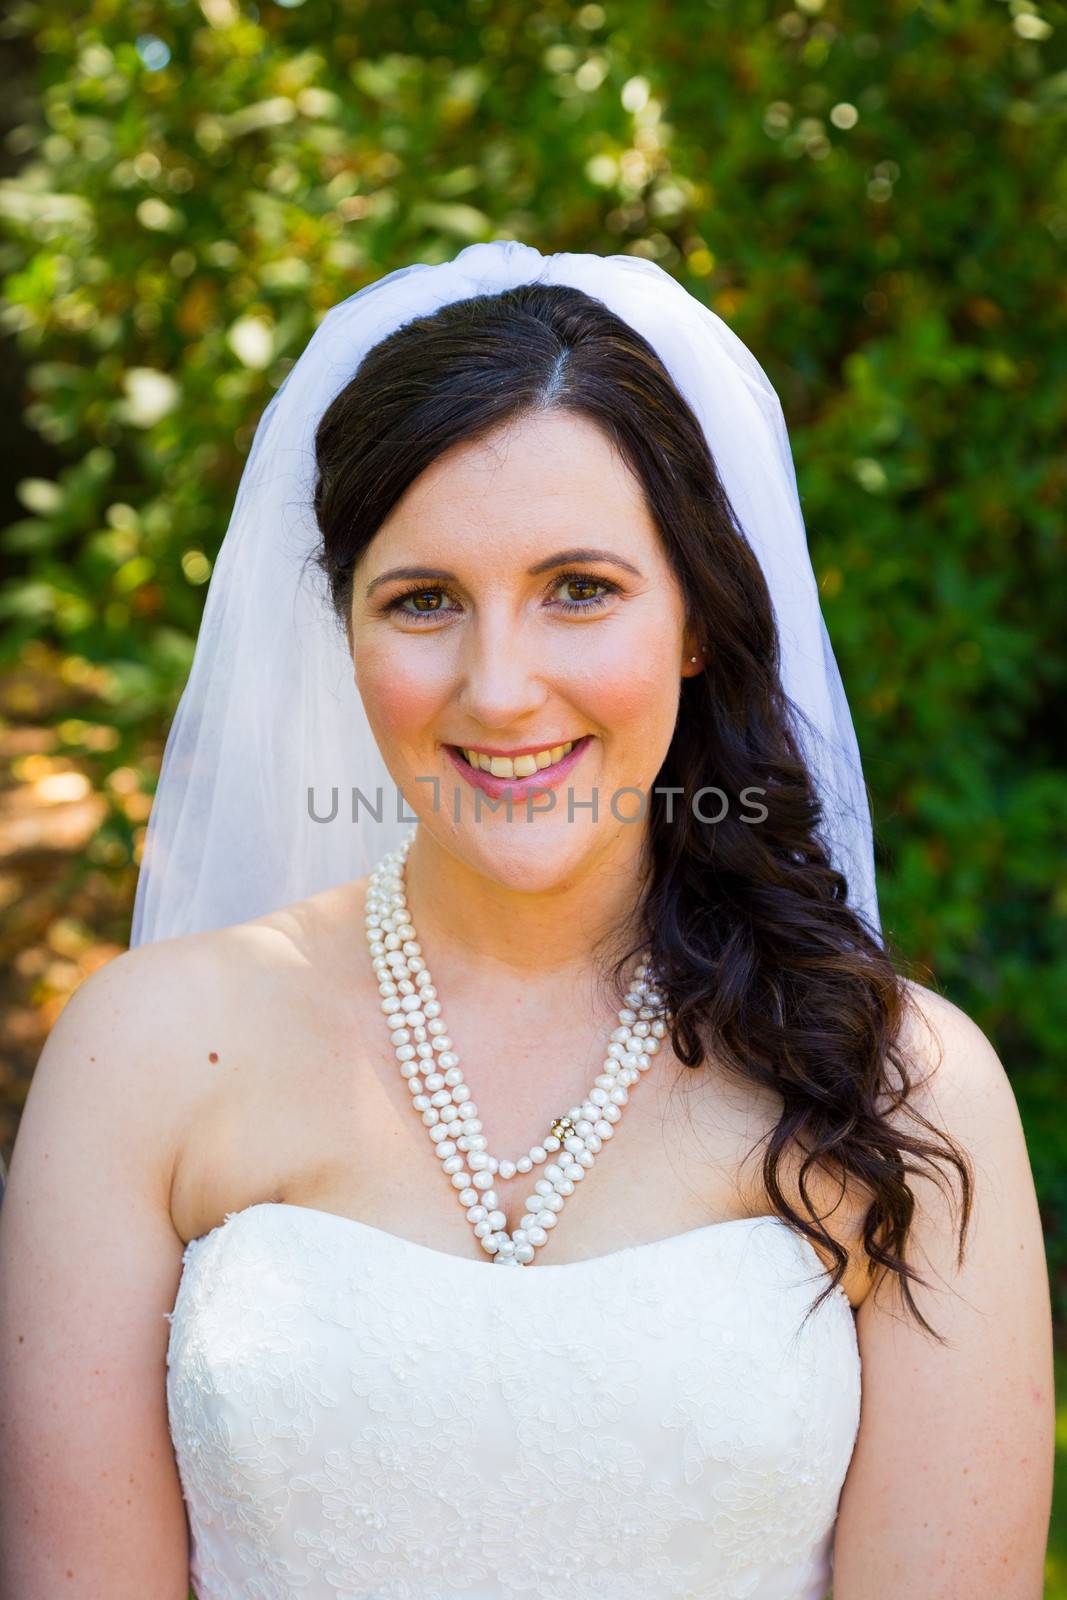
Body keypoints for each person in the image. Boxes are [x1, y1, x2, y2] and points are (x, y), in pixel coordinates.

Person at [0, 242, 1053, 1599]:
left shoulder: (907, 1089)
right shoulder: (145, 1058)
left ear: (693, 621)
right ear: (346, 629)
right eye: (424, 600)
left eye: (580, 591)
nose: (501, 691)